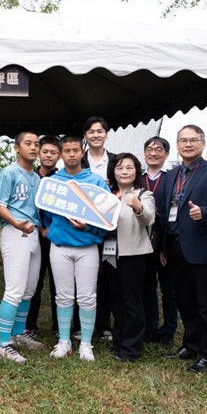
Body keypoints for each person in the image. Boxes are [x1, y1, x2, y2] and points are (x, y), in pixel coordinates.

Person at [157, 125, 207, 373]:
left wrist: (205, 212)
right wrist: (163, 246)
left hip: (203, 248)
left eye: (193, 140)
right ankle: (191, 345)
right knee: (185, 301)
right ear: (177, 145)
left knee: (206, 304)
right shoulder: (171, 175)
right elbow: (164, 212)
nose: (187, 144)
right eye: (183, 140)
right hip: (175, 246)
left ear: (203, 143)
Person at [45, 135, 109, 362]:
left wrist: (87, 227)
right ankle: (64, 342)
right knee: (62, 296)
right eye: (67, 151)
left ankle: (86, 344)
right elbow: (45, 215)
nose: (71, 154)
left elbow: (106, 217)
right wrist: (51, 232)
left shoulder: (96, 181)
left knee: (87, 296)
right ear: (60, 155)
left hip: (87, 247)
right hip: (60, 246)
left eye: (75, 150)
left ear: (82, 152)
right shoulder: (53, 182)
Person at [0, 131, 45, 364]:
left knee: (28, 290)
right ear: (16, 148)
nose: (33, 148)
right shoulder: (9, 172)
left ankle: (19, 334)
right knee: (14, 290)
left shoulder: (37, 177)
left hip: (33, 234)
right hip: (15, 233)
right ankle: (3, 344)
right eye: (28, 143)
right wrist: (15, 223)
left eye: (36, 144)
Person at [104, 153, 155, 361]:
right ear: (113, 172)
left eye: (129, 168)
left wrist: (137, 206)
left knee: (132, 301)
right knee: (116, 301)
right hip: (109, 254)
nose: (124, 172)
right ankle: (119, 342)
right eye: (119, 168)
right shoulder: (107, 195)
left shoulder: (144, 194)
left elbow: (148, 218)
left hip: (133, 255)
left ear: (136, 172)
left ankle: (131, 349)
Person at [81, 116, 117, 342]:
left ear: (106, 134)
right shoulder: (78, 160)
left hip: (108, 226)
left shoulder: (116, 161)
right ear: (85, 136)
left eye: (99, 131)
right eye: (91, 131)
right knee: (82, 276)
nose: (96, 135)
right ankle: (79, 325)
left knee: (106, 276)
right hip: (82, 225)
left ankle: (103, 325)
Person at [141, 137, 177, 347]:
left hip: (166, 240)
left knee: (169, 288)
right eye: (149, 149)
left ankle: (169, 329)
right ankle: (150, 327)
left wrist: (164, 246)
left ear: (166, 154)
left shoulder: (173, 178)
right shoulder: (137, 177)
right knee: (147, 285)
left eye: (158, 149)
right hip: (142, 240)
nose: (153, 153)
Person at [25, 135, 61, 340]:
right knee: (34, 282)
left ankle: (59, 326)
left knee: (59, 283)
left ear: (59, 156)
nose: (48, 155)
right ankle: (29, 326)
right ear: (39, 153)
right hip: (36, 236)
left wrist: (53, 229)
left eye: (53, 152)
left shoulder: (63, 179)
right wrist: (40, 228)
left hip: (57, 238)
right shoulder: (30, 177)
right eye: (45, 151)